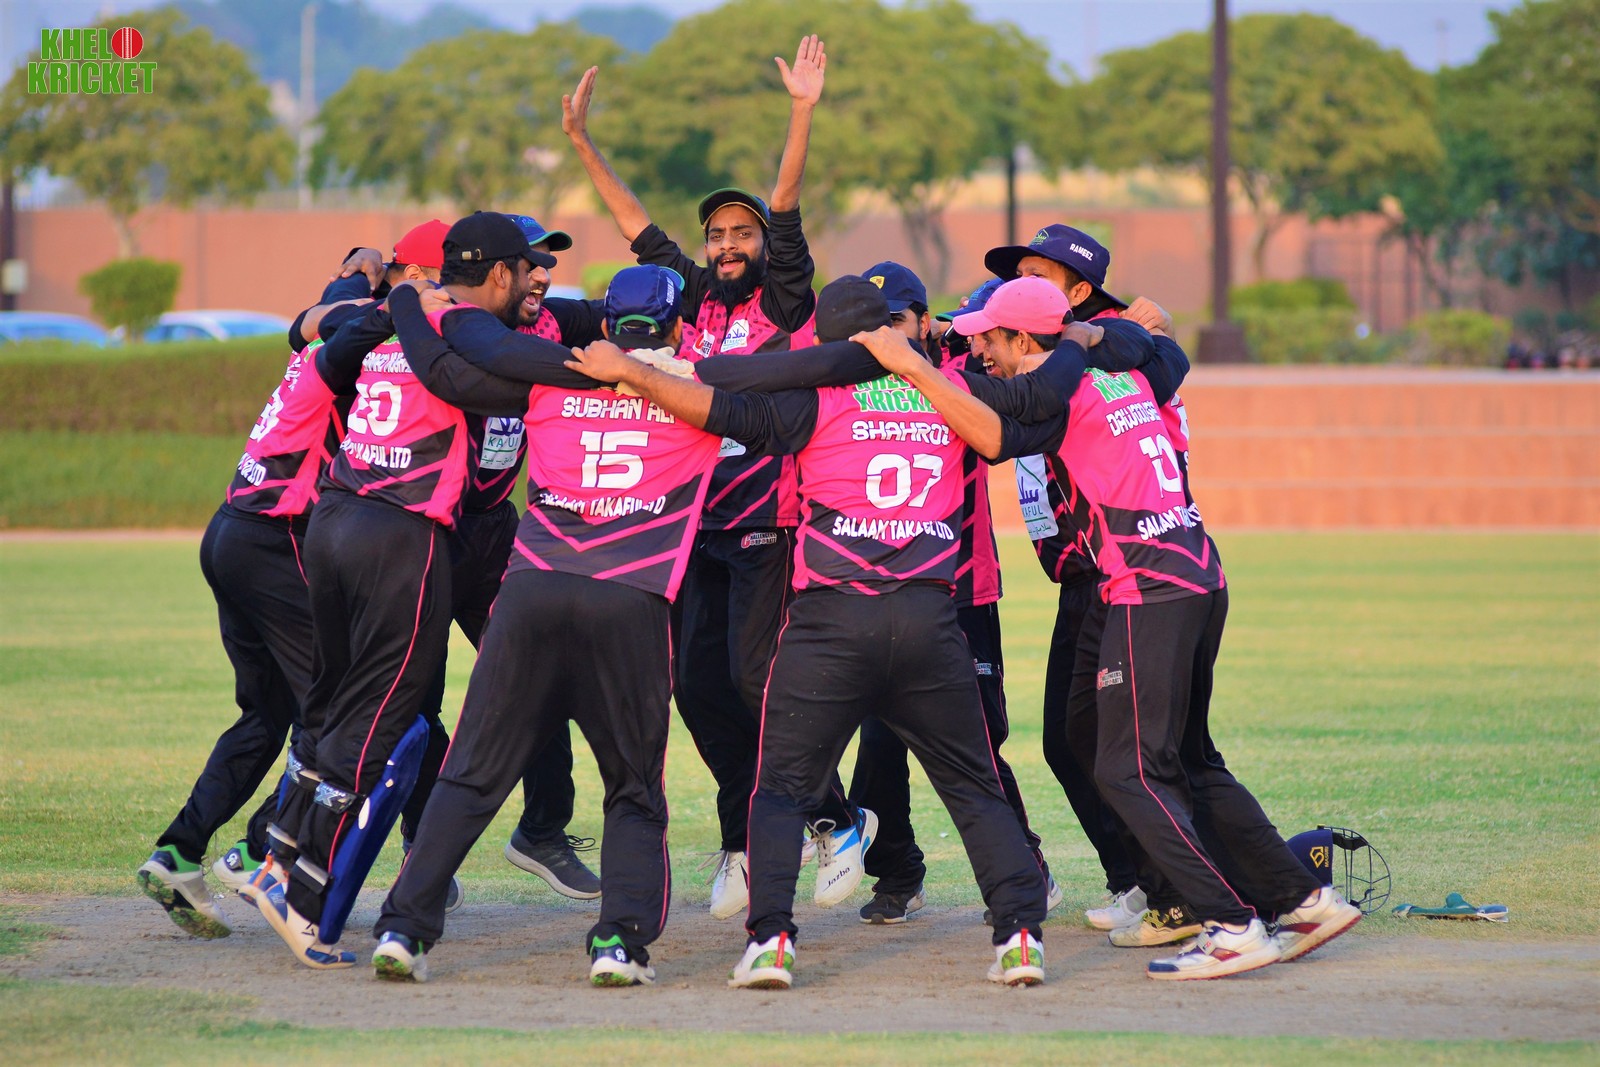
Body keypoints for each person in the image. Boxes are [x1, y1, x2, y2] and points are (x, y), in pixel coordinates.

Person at [566, 277, 1089, 989]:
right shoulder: (948, 391)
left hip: (831, 621)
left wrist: (638, 374)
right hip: (929, 618)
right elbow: (1037, 406)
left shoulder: (814, 399)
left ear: (823, 342)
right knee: (973, 787)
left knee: (780, 789)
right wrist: (1086, 341)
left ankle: (771, 942)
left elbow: (717, 408)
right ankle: (1020, 936)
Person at [944, 276, 1363, 980]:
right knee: (1189, 761)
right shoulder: (1123, 373)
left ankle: (1231, 925)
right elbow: (1158, 348)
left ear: (1023, 338)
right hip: (1199, 575)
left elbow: (995, 427)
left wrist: (912, 366)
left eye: (987, 336)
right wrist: (1103, 334)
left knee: (1126, 769)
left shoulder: (1057, 394)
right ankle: (1303, 900)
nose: (978, 348)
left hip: (1149, 590)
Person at [560, 41, 868, 920]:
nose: (729, 245)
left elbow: (787, 203)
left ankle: (837, 819)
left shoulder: (784, 301)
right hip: (697, 531)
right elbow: (635, 227)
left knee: (755, 681)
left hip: (769, 529)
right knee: (696, 689)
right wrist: (582, 143)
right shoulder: (694, 300)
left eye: (742, 235)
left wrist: (801, 111)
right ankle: (743, 836)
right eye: (718, 236)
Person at [369, 264, 720, 986]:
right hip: (629, 601)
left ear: (606, 325)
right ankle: (618, 943)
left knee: (470, 773)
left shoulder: (549, 380)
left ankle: (404, 929)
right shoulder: (698, 390)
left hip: (529, 593)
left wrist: (414, 300)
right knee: (632, 788)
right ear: (680, 327)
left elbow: (447, 365)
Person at [249, 213, 554, 969]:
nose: (532, 284)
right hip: (400, 531)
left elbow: (318, 331)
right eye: (523, 271)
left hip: (334, 518)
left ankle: (277, 855)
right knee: (386, 709)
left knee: (333, 697)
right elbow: (493, 378)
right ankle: (301, 889)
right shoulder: (457, 326)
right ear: (497, 274)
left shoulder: (393, 318)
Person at [135, 224, 444, 937]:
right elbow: (355, 319)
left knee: (266, 715)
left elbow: (329, 302)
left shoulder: (339, 318)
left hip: (231, 529)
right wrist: (396, 292)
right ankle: (255, 854)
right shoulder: (364, 335)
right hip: (277, 538)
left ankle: (178, 851)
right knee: (336, 714)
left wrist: (364, 266)